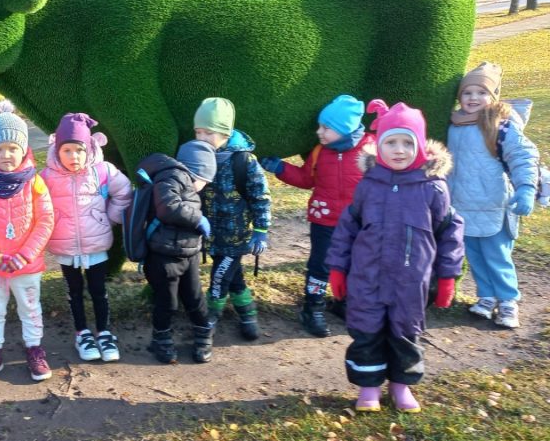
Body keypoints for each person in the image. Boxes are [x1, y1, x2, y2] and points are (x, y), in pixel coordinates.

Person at [327, 100, 464, 413]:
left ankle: (401, 387)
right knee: (366, 331)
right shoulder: (369, 186)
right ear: (380, 145)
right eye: (391, 142)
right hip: (367, 278)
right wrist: (337, 268)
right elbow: (348, 227)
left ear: (418, 146)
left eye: (406, 142)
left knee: (405, 332)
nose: (399, 150)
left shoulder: (433, 188)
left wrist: (446, 277)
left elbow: (449, 233)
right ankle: (368, 388)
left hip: (410, 281)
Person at [259, 95, 374, 336]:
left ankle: (345, 303)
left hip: (359, 223)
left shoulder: (371, 149)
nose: (319, 132)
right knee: (320, 265)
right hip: (324, 220)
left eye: (326, 128)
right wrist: (280, 168)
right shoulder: (320, 152)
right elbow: (306, 179)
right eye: (320, 126)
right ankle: (313, 308)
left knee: (356, 264)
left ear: (345, 129)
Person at [0, 102, 54, 384]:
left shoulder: (35, 183)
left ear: (24, 149)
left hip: (25, 264)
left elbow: (45, 221)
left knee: (30, 307)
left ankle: (34, 348)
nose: (6, 154)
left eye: (12, 148)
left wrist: (25, 255)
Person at [446, 62, 540, 329]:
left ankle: (509, 302)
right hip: (463, 206)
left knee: (498, 257)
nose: (474, 98)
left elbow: (523, 157)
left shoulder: (500, 127)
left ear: (493, 97)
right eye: (467, 93)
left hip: (496, 205)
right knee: (474, 256)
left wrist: (525, 189)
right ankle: (486, 297)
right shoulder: (453, 125)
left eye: (481, 93)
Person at [41, 113, 132, 362]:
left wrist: (109, 218)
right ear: (57, 150)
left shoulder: (102, 171)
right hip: (66, 248)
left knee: (98, 290)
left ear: (89, 148)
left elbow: (124, 193)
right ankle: (82, 333)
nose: (74, 157)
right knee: (74, 291)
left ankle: (104, 332)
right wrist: (50, 225)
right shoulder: (47, 177)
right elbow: (36, 204)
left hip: (96, 244)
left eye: (79, 150)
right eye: (67, 150)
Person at [193, 97, 272, 340]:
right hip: (211, 234)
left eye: (209, 133)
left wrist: (261, 229)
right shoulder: (199, 158)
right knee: (234, 278)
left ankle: (211, 315)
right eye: (198, 132)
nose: (202, 138)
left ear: (225, 133)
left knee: (219, 276)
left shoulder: (244, 161)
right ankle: (248, 314)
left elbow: (261, 196)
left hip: (236, 235)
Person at [139, 140, 217, 363]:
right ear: (197, 170)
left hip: (188, 252)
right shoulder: (171, 177)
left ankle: (204, 334)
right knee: (167, 301)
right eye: (205, 179)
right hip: (163, 255)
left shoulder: (183, 180)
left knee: (195, 297)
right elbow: (168, 207)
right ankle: (161, 339)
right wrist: (198, 219)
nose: (204, 185)